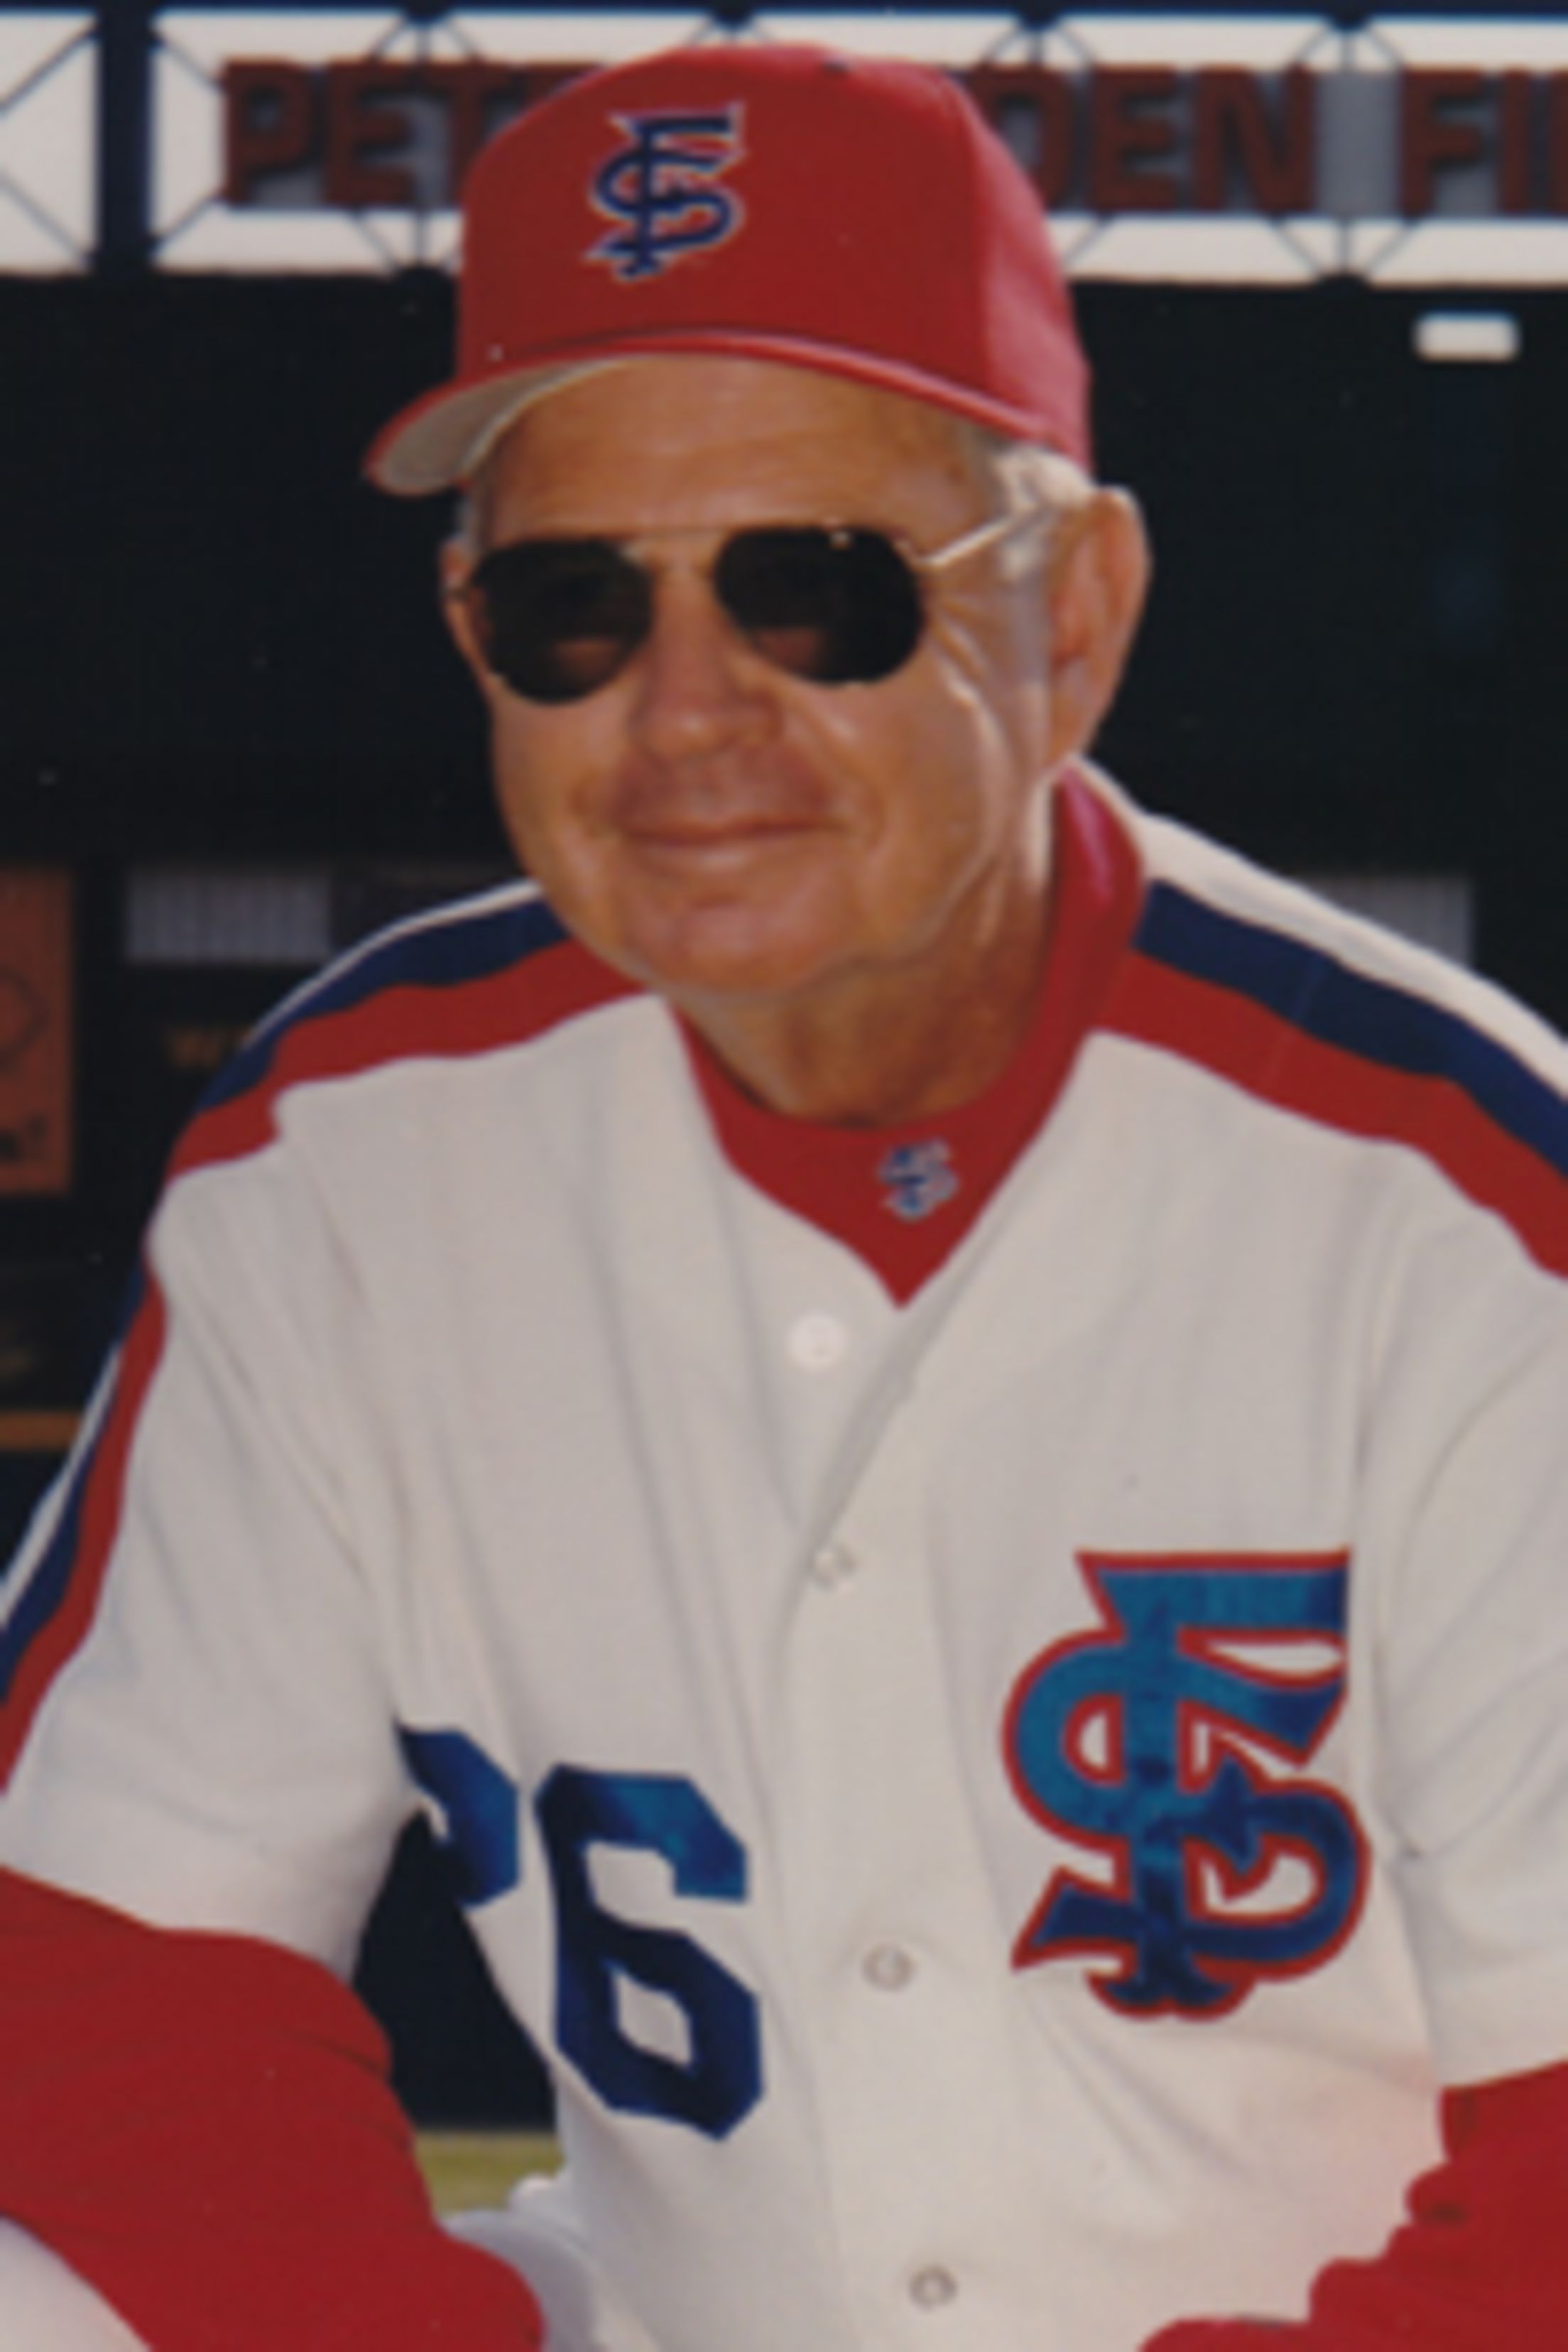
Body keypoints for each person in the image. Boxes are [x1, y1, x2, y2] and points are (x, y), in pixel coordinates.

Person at [2, 40, 1567, 2352]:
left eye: (817, 590)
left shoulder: (1463, 1205)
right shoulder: (356, 1154)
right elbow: (107, 1970)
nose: (686, 712)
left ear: (1076, 617)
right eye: (573, 606)